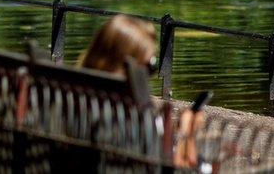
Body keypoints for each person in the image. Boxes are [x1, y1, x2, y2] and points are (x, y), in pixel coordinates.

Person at [80, 15, 205, 169]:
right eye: (150, 66)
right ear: (133, 68)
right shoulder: (133, 117)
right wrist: (186, 134)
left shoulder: (69, 98)